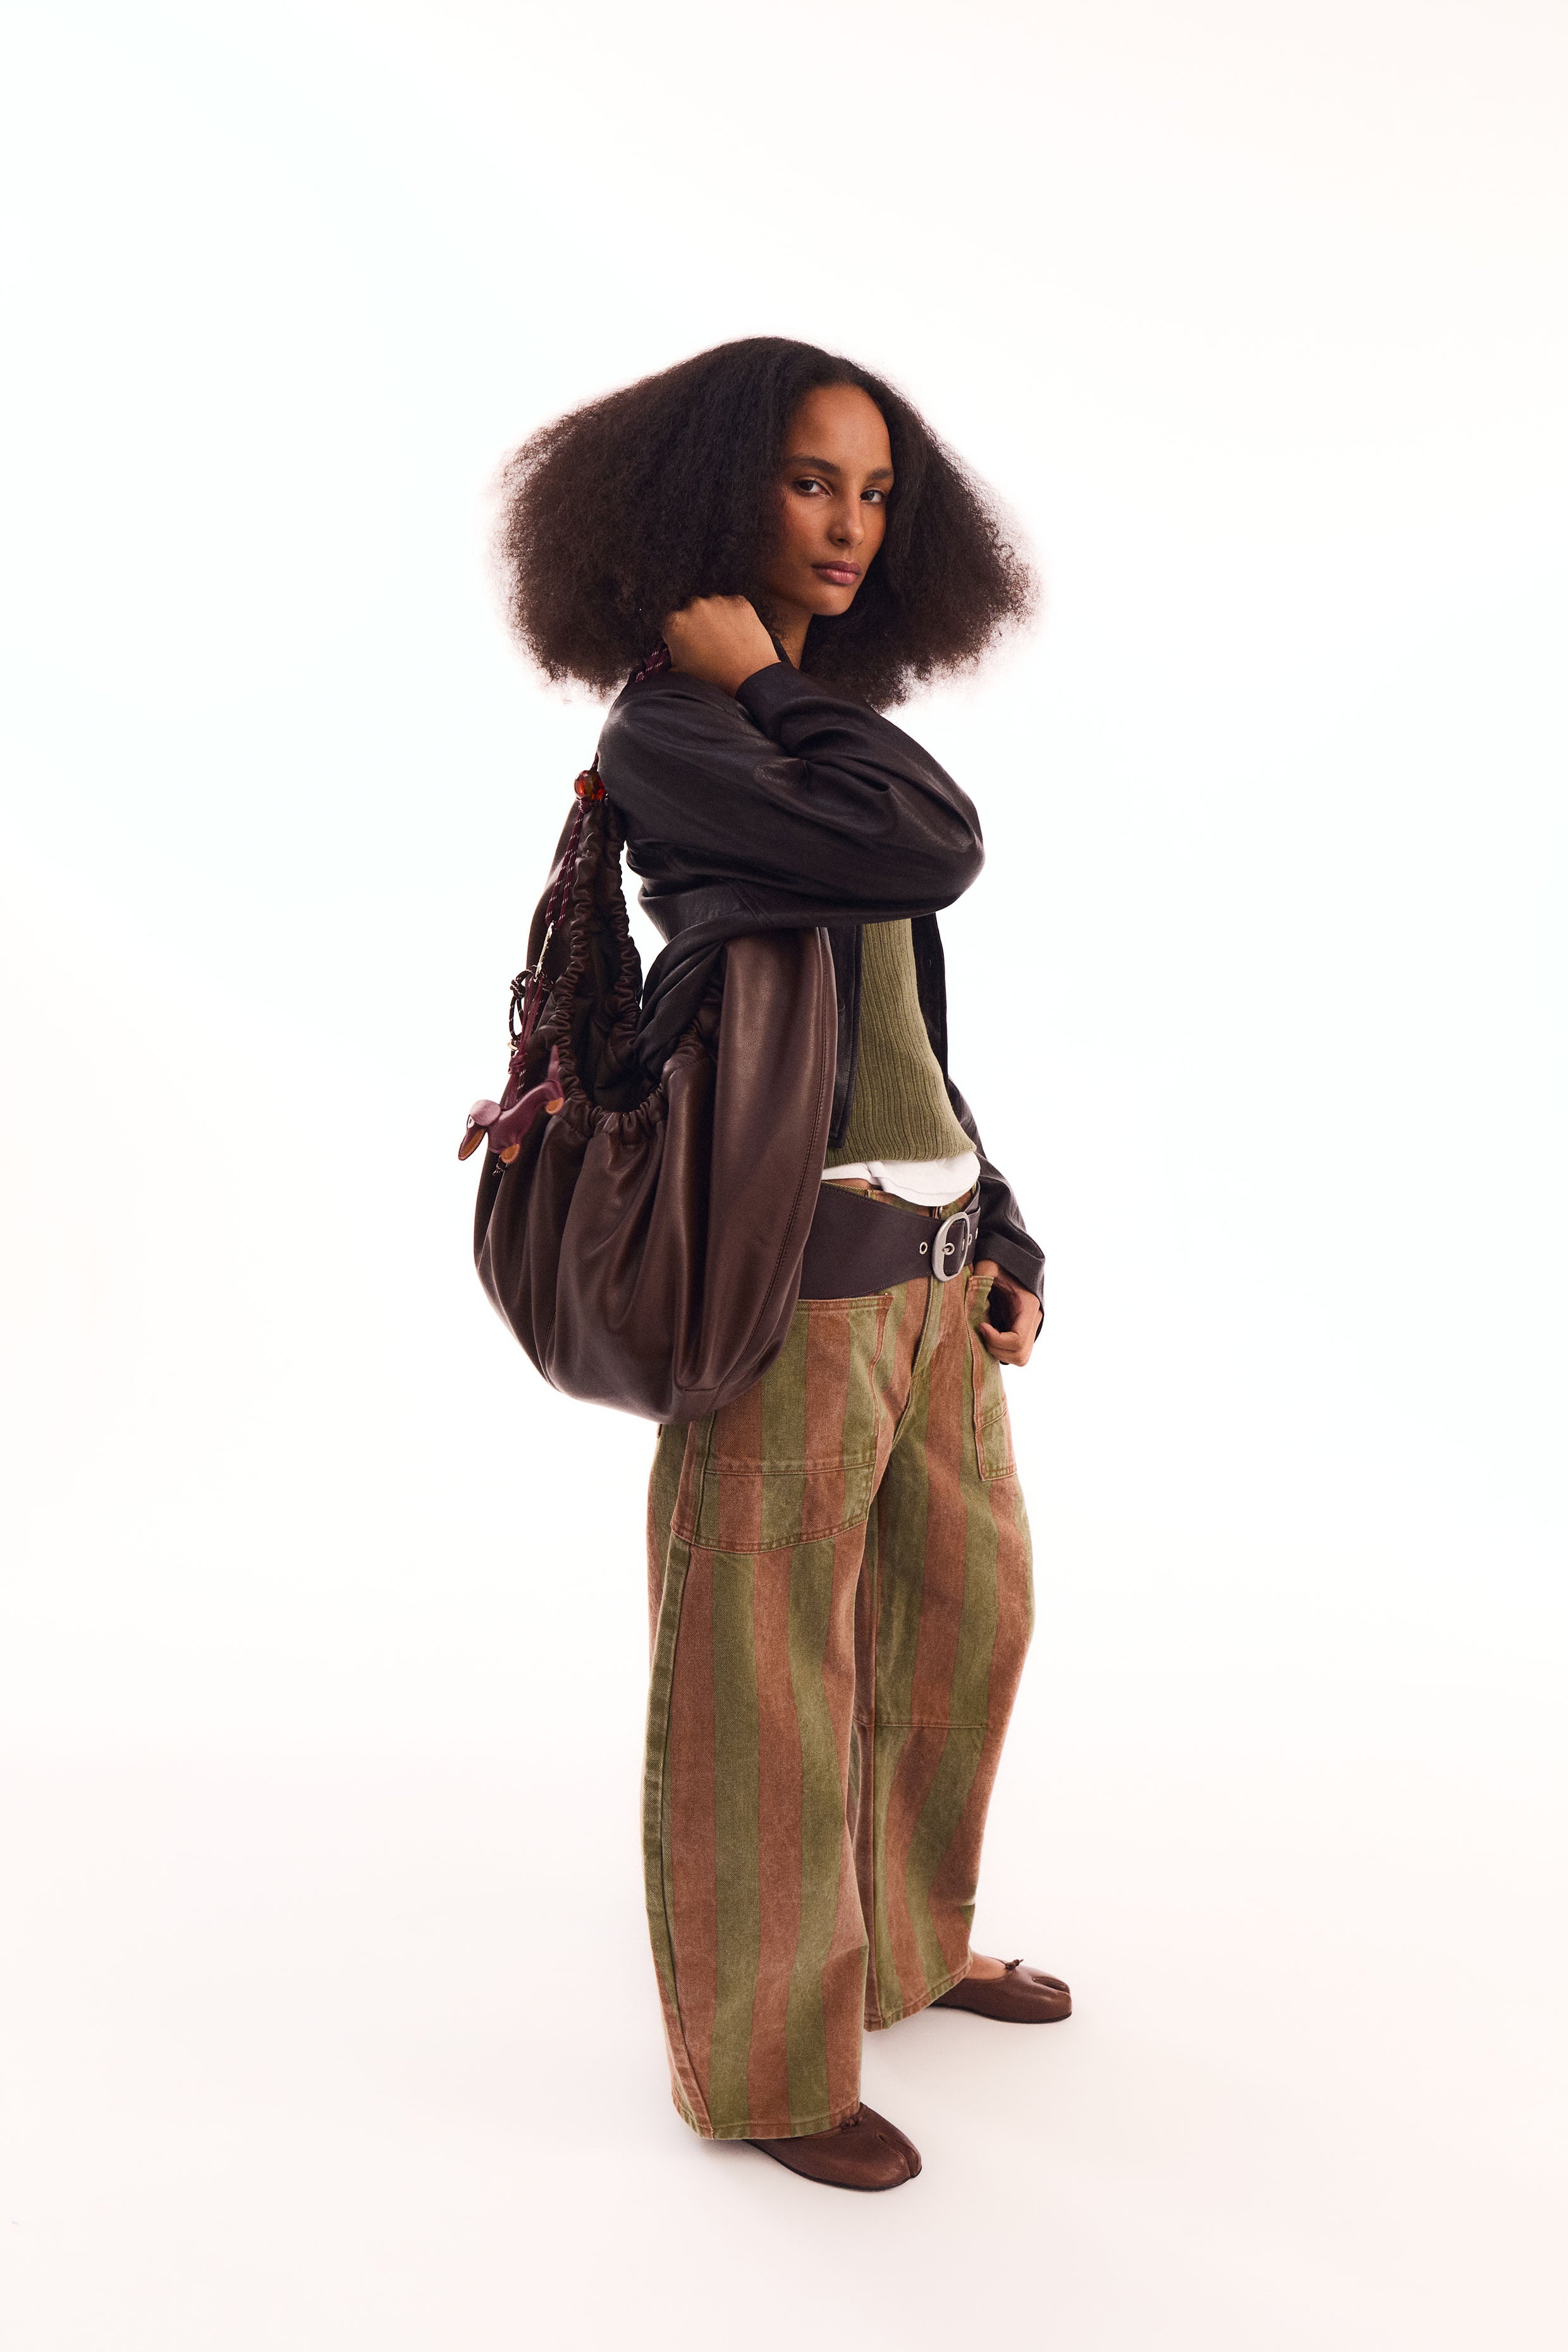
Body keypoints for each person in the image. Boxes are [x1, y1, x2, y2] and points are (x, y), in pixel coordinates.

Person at [497, 338, 1069, 2190]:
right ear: (713, 493)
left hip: (931, 1270)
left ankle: (902, 1948)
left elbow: (900, 1022)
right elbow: (936, 841)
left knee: (956, 1625)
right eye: (812, 481)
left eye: (877, 491)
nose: (850, 523)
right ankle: (761, 2069)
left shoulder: (808, 719)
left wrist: (1000, 1215)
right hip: (793, 1278)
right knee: (764, 1677)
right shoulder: (679, 729)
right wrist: (756, 679)